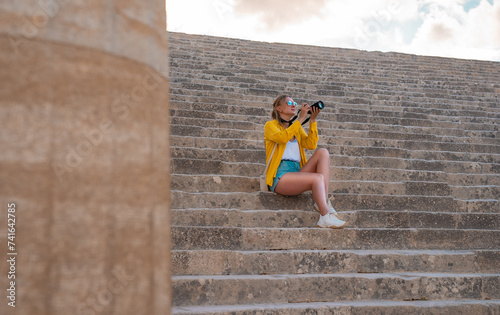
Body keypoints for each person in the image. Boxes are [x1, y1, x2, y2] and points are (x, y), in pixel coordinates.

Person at [264, 94, 346, 229]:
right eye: (289, 103)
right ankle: (325, 215)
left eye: (294, 102)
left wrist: (312, 120)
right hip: (280, 176)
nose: (293, 105)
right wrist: (301, 118)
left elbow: (311, 144)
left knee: (323, 152)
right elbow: (282, 138)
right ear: (279, 108)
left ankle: (322, 201)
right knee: (317, 178)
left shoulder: (296, 128)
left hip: (297, 173)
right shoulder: (270, 126)